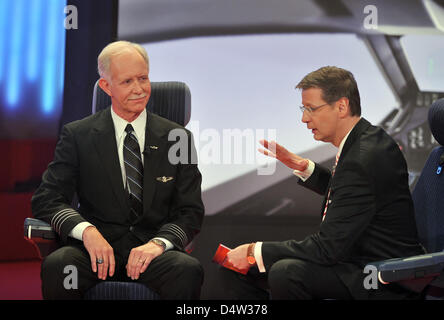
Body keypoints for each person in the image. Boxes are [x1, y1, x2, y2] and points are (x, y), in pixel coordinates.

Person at [220, 66, 425, 300]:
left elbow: (327, 248)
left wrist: (255, 251)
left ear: (341, 106)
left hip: (379, 276)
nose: (304, 118)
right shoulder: (365, 141)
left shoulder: (362, 157)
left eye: (311, 109)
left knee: (286, 273)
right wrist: (304, 167)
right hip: (359, 262)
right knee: (238, 269)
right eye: (303, 108)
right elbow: (351, 194)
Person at [31, 41, 204, 299]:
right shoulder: (78, 135)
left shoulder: (178, 138)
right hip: (93, 253)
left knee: (187, 270)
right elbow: (47, 199)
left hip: (152, 254)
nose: (139, 89)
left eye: (143, 79)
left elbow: (190, 211)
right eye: (126, 82)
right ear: (106, 86)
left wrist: (158, 244)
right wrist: (87, 232)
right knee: (60, 266)